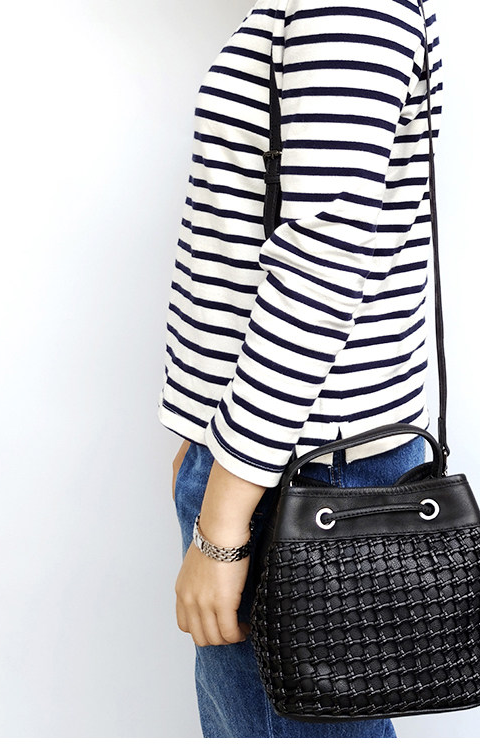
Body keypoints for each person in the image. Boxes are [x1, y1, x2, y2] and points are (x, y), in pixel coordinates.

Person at [157, 0, 443, 738]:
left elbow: (322, 265)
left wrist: (223, 524)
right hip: (264, 460)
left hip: (295, 475)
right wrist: (200, 435)